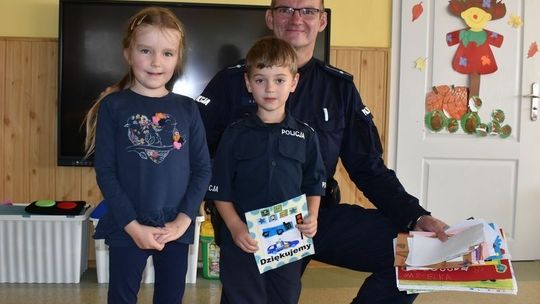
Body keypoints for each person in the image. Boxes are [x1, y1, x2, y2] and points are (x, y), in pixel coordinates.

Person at [197, 0, 449, 303]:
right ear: (270, 17)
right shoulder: (231, 81)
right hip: (250, 226)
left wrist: (417, 217)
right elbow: (198, 159)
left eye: (307, 10)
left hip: (313, 217)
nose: (296, 18)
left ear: (322, 21)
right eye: (286, 9)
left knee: (416, 255)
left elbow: (368, 167)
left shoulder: (338, 88)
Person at [83, 7, 211, 304]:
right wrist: (132, 225)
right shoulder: (113, 106)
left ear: (178, 58)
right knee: (121, 297)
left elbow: (202, 169)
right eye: (145, 50)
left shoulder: (188, 109)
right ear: (128, 52)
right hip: (128, 226)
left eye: (167, 53)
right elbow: (106, 171)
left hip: (175, 229)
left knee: (170, 298)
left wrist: (183, 221)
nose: (156, 62)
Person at [205, 36, 326, 303]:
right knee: (241, 298)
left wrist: (313, 216)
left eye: (279, 80)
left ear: (294, 83)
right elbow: (219, 188)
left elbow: (314, 183)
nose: (270, 88)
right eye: (260, 80)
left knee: (285, 296)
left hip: (289, 240)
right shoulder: (235, 134)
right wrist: (235, 226)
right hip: (243, 240)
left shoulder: (306, 136)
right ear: (248, 83)